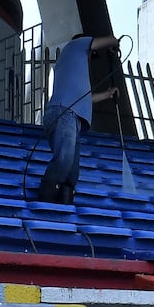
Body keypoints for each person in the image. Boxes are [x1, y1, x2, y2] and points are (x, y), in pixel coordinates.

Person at [38, 33, 120, 203]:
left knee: (72, 171)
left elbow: (84, 98)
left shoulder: (70, 66)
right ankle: (45, 198)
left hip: (70, 116)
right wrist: (114, 42)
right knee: (64, 162)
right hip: (65, 113)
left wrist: (107, 94)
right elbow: (102, 41)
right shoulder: (76, 45)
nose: (91, 58)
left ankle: (63, 201)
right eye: (92, 54)